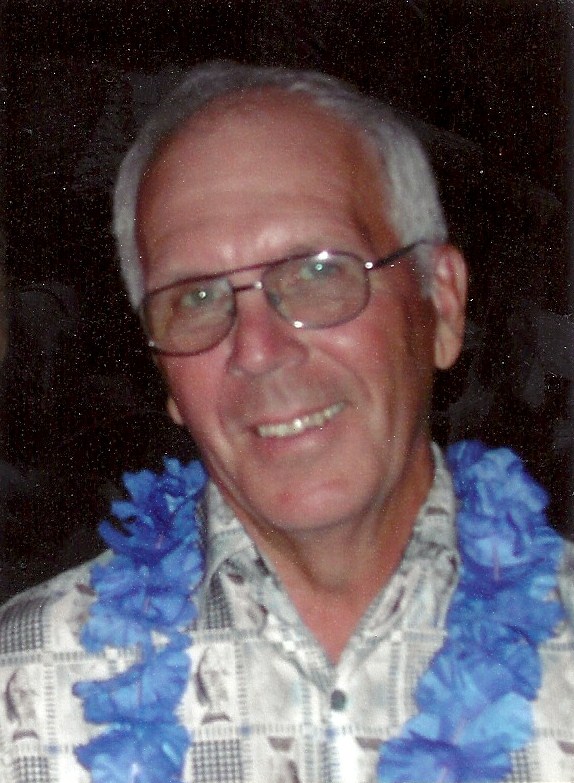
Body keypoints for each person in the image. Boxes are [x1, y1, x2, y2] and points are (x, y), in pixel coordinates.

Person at [0, 61, 572, 783]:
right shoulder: (22, 688)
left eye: (319, 271)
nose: (258, 350)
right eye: (196, 297)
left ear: (442, 305)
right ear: (164, 374)